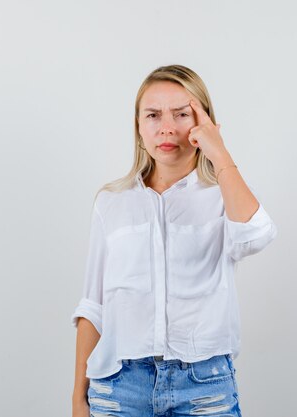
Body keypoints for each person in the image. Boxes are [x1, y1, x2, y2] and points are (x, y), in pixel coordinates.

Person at [70, 64, 278, 417]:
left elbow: (257, 235)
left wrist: (220, 153)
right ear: (138, 126)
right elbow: (94, 305)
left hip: (203, 387)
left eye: (182, 114)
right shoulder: (111, 202)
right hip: (119, 386)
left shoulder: (223, 195)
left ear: (203, 123)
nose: (166, 127)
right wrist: (78, 399)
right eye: (152, 115)